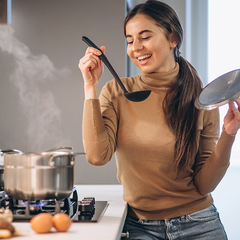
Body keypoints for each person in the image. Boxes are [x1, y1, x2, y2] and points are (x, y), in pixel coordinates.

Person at [78, 0, 240, 239]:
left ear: (172, 38)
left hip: (199, 223)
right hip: (140, 226)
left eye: (145, 37)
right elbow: (96, 156)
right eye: (130, 40)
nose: (136, 47)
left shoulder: (202, 99)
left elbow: (204, 185)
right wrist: (90, 87)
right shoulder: (115, 92)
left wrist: (229, 133)